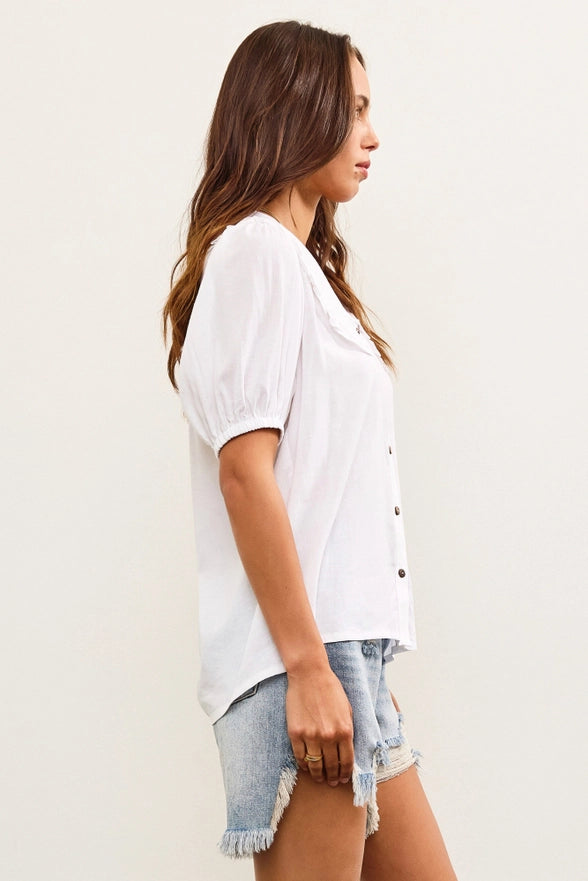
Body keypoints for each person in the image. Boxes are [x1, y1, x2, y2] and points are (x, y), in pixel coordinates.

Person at [163, 20, 458, 881]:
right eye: (355, 107)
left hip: (346, 657)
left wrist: (341, 668)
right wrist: (308, 667)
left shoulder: (300, 269)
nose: (372, 134)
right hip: (310, 659)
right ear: (299, 109)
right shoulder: (255, 251)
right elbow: (245, 476)